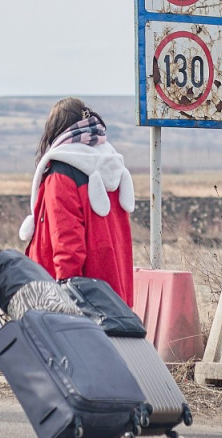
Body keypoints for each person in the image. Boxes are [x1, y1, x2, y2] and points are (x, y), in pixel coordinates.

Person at [19, 98, 135, 306]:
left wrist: (65, 295)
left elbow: (66, 241)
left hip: (74, 299)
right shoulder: (112, 165)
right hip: (112, 291)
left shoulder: (62, 172)